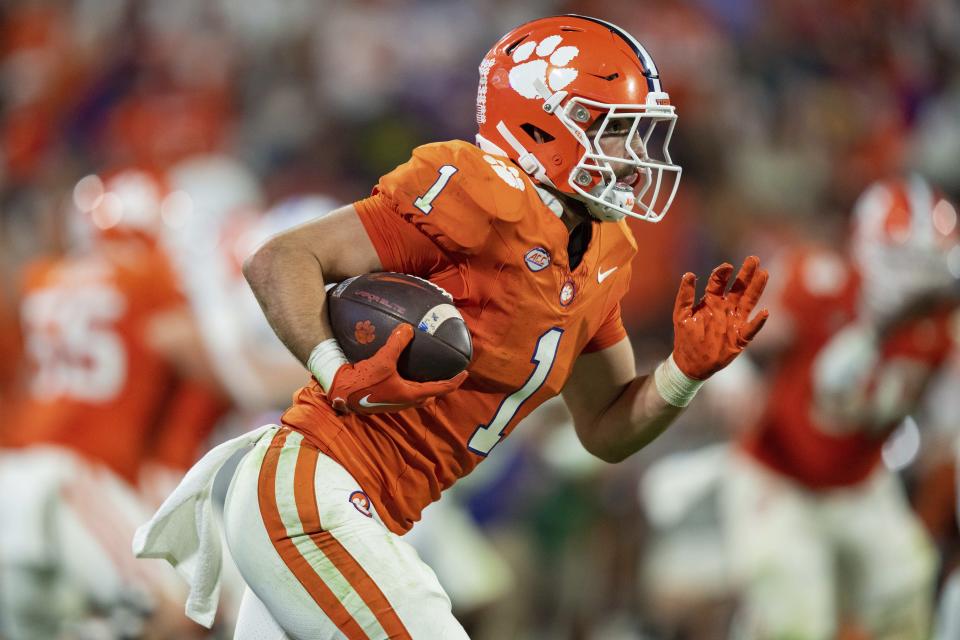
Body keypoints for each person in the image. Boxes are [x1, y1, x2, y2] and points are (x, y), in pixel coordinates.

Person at [136, 14, 769, 639]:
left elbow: (606, 427)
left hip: (364, 508)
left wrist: (683, 375)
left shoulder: (605, 253)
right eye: (616, 133)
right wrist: (336, 368)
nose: (634, 160)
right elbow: (279, 261)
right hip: (313, 485)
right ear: (543, 123)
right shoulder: (478, 188)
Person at [722, 175, 960, 640]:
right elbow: (730, 345)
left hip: (860, 482)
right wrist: (733, 383)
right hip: (779, 475)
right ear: (863, 247)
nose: (912, 278)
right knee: (796, 618)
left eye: (925, 263)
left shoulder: (943, 324)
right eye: (900, 259)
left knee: (906, 591)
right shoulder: (820, 283)